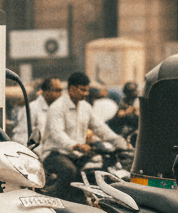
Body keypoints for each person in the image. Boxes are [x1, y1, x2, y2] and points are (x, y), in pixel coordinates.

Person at [39, 71, 128, 199]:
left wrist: (120, 142)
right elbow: (57, 133)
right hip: (55, 154)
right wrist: (76, 145)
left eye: (87, 90)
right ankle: (59, 202)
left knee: (98, 166)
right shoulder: (57, 107)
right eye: (82, 90)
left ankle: (84, 200)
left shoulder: (85, 107)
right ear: (72, 88)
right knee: (69, 170)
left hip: (77, 155)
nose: (86, 94)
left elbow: (100, 128)